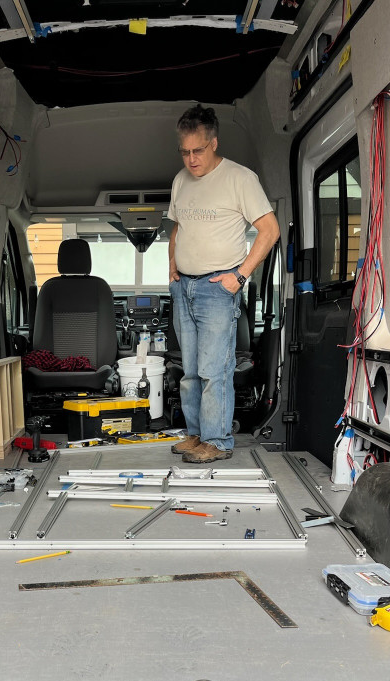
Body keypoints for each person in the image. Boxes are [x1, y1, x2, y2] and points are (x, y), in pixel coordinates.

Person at [168, 104, 280, 463]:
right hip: (184, 288)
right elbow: (178, 227)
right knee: (189, 372)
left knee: (213, 371)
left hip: (217, 290)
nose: (191, 159)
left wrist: (240, 275)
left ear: (214, 143)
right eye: (184, 152)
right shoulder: (180, 180)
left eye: (198, 150)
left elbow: (270, 230)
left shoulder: (240, 178)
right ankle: (196, 434)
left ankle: (217, 441)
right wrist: (172, 265)